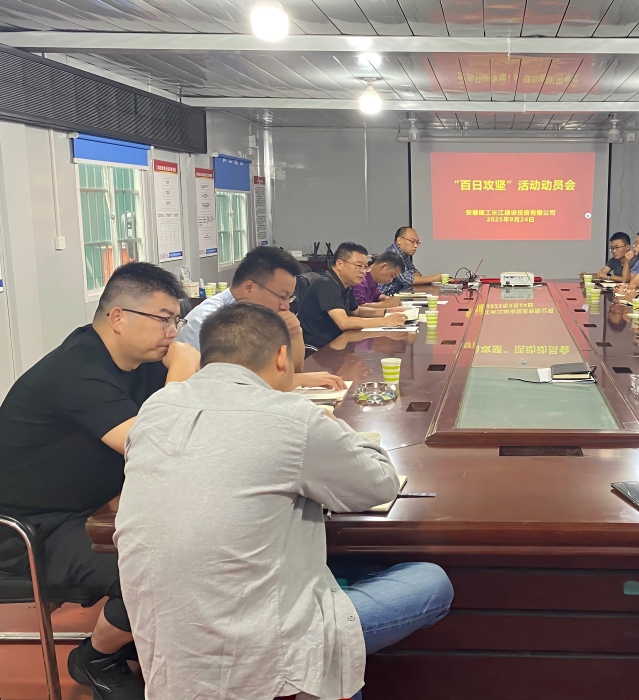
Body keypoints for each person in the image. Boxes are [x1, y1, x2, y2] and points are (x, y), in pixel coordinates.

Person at [115, 303, 453, 700]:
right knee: (431, 583)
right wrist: (334, 425)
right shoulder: (294, 417)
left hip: (167, 649)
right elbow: (379, 484)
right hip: (262, 653)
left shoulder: (155, 408)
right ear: (281, 356)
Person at [0, 262, 201, 700]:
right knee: (168, 566)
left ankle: (138, 641)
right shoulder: (77, 370)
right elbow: (155, 445)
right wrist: (182, 374)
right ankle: (97, 657)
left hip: (94, 510)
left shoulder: (139, 361)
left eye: (177, 320)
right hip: (30, 533)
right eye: (164, 319)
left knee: (201, 544)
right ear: (119, 318)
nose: (173, 333)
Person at [177, 246, 345, 389]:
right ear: (249, 287)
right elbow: (222, 388)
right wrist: (300, 380)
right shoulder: (208, 320)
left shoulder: (257, 316)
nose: (286, 306)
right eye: (282, 297)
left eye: (289, 298)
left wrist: (295, 333)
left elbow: (291, 370)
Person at [300, 242, 408, 352]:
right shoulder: (326, 284)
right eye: (358, 266)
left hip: (337, 344)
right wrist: (385, 321)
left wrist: (387, 312)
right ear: (339, 264)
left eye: (365, 267)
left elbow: (357, 311)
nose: (363, 271)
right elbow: (344, 322)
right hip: (318, 351)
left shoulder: (346, 285)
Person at [379, 227, 443, 295]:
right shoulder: (392, 255)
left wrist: (413, 277)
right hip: (383, 297)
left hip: (396, 295)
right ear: (399, 240)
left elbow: (416, 273)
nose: (415, 246)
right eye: (412, 241)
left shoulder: (404, 255)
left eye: (417, 242)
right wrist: (434, 279)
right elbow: (408, 280)